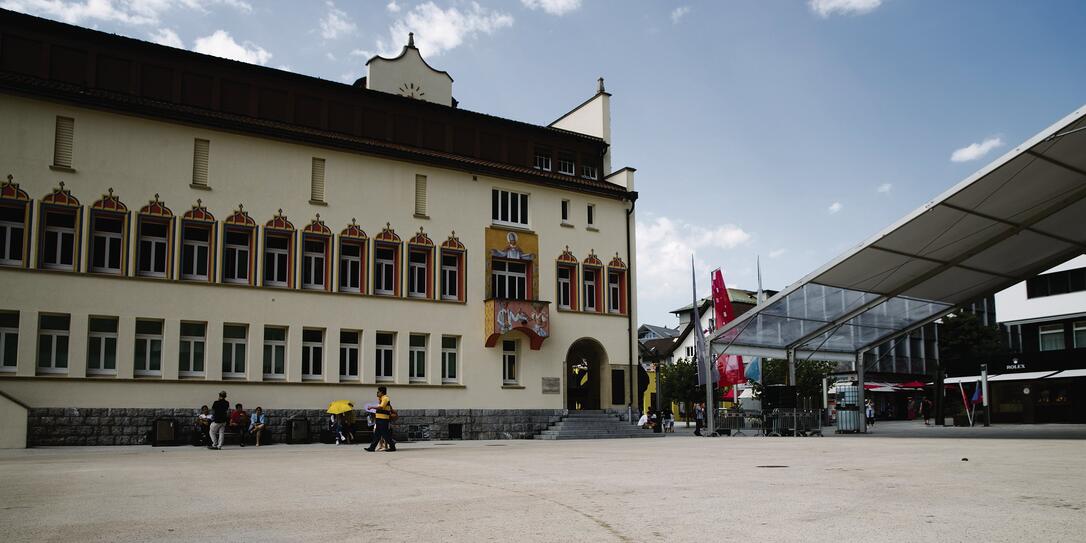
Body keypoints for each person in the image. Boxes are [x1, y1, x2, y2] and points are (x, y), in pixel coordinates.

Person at [364, 387, 396, 452]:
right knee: (377, 434)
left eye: (378, 392)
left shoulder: (385, 398)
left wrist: (371, 407)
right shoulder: (381, 399)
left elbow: (381, 407)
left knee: (385, 434)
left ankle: (392, 447)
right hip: (379, 419)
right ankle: (372, 448)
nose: (377, 393)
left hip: (383, 419)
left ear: (382, 392)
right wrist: (379, 399)